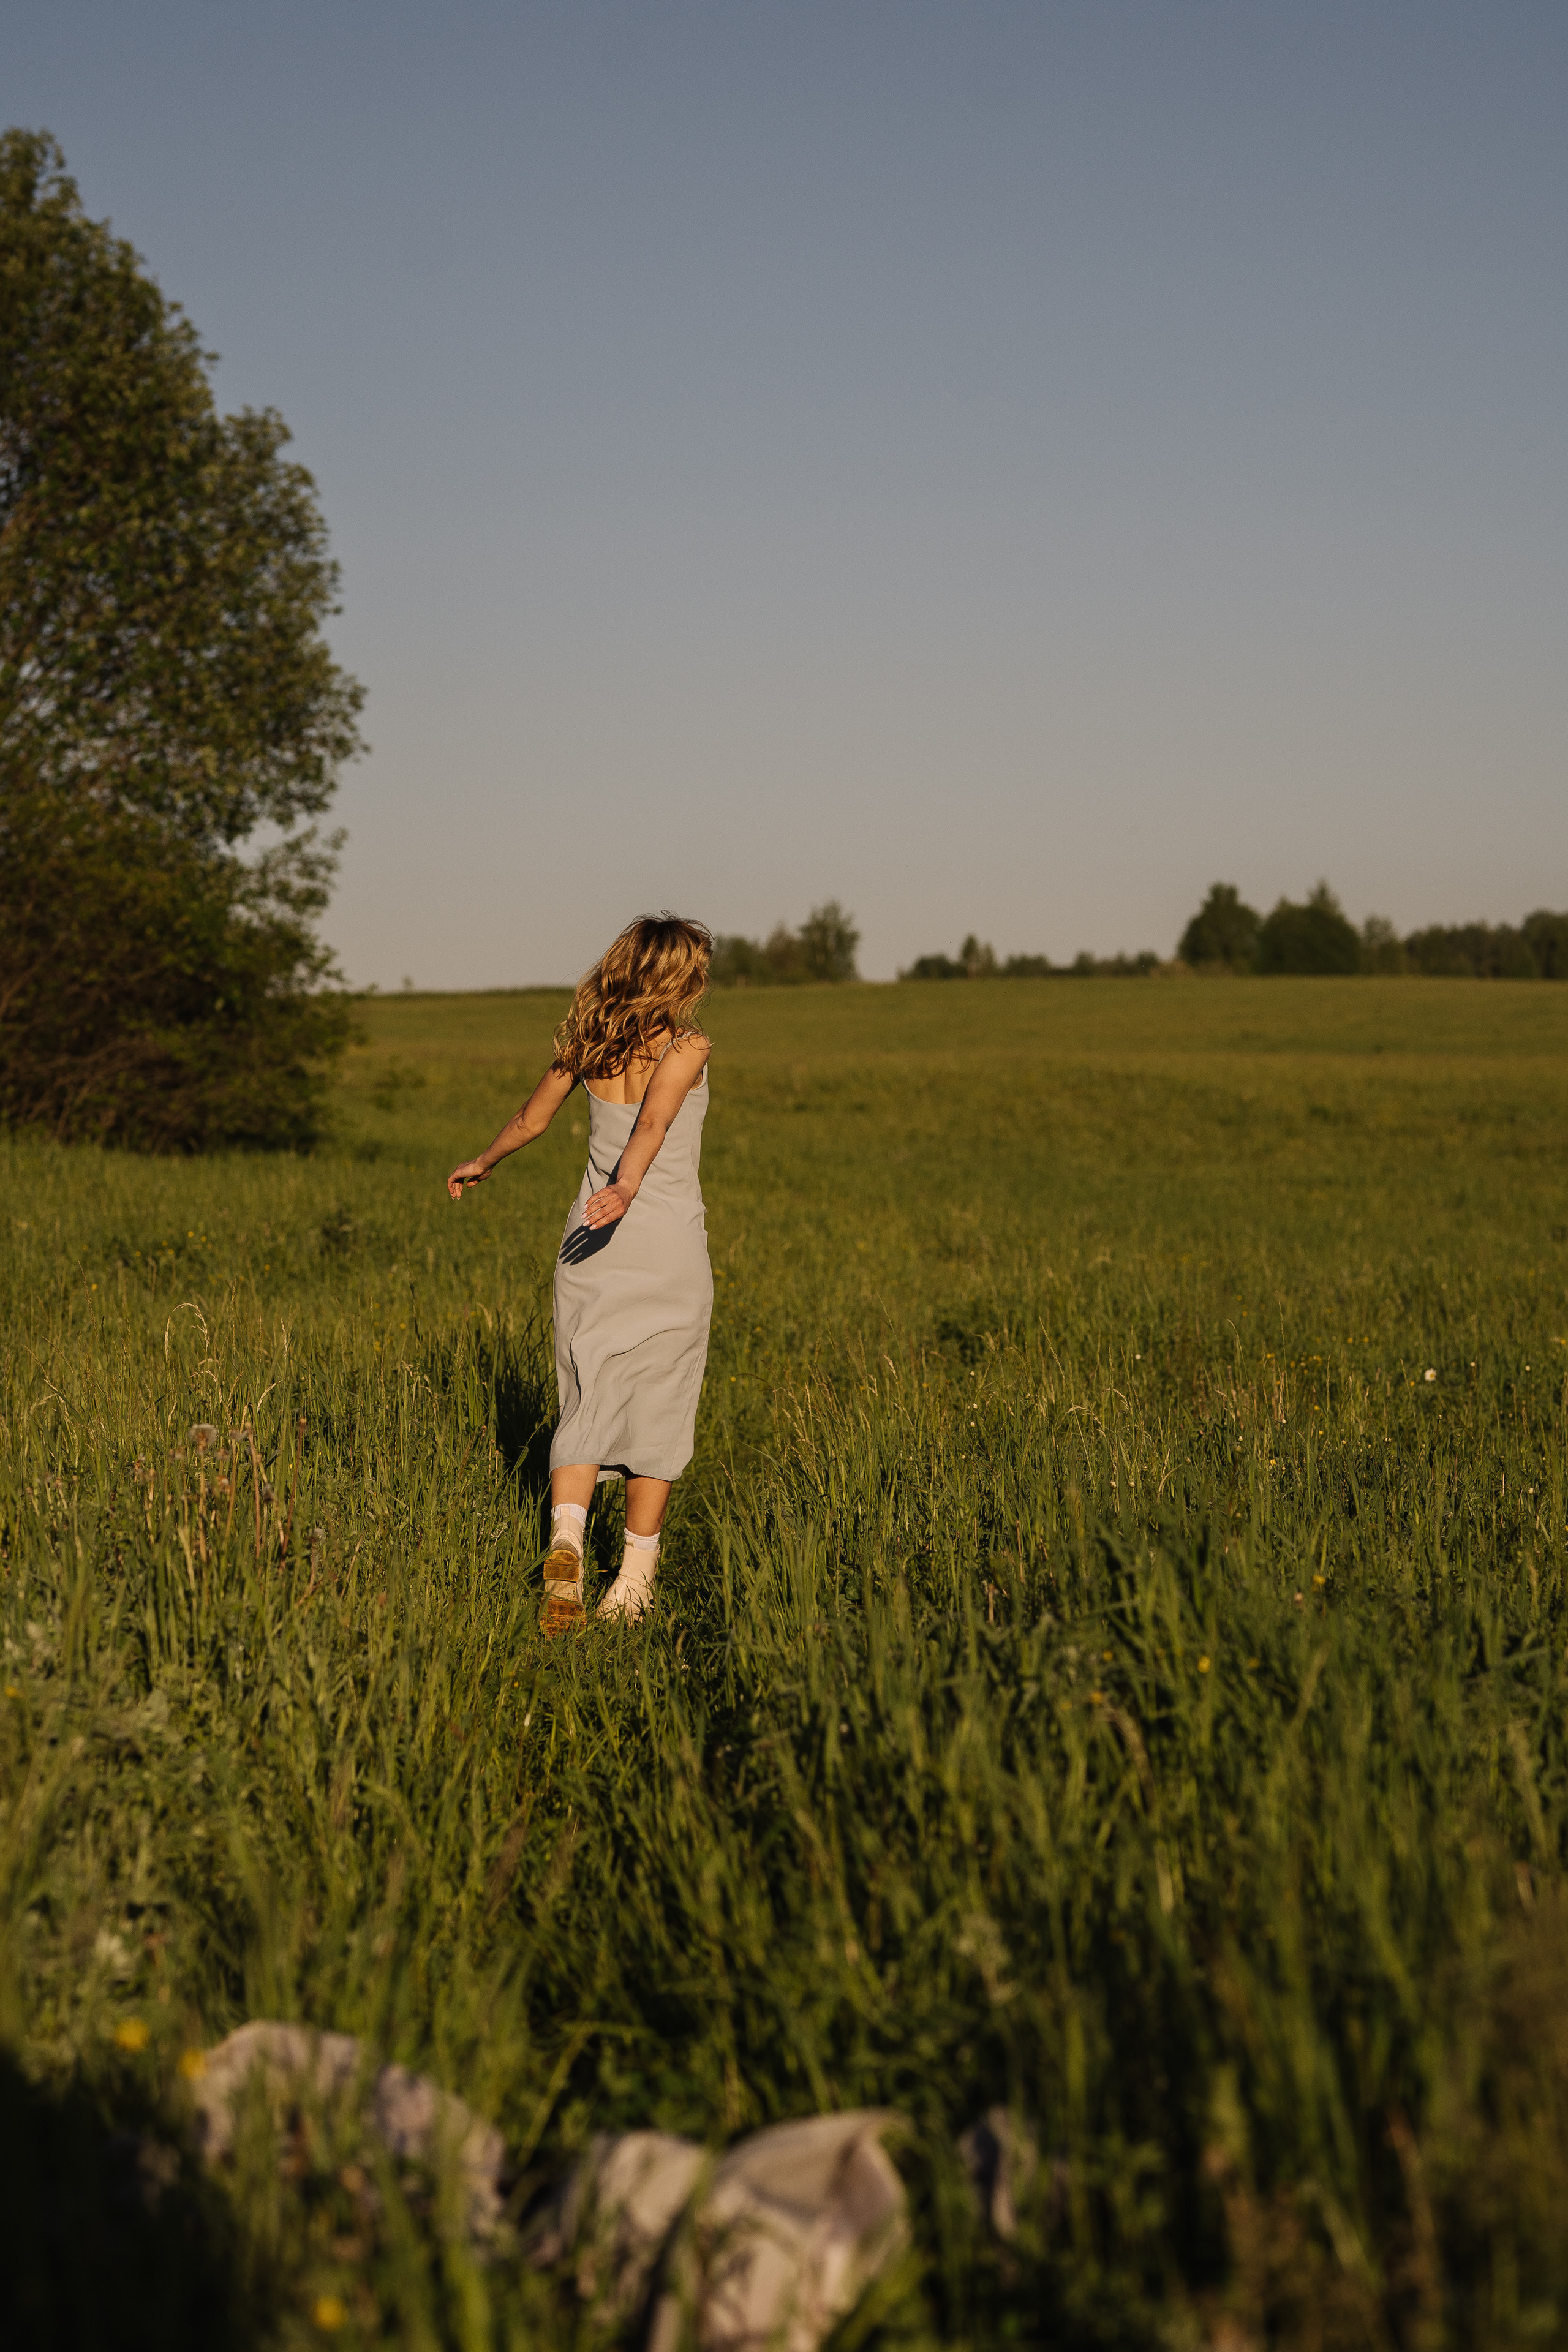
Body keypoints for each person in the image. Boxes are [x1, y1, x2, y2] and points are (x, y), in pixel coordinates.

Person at [446, 914, 714, 1633]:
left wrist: (483, 1161)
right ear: (680, 975)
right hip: (657, 1241)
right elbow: (654, 1124)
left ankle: (565, 1541)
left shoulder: (586, 1041)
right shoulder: (687, 1045)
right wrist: (627, 1188)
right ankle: (631, 1583)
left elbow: (531, 1121)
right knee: (660, 1400)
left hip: (587, 1244)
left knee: (586, 1392)